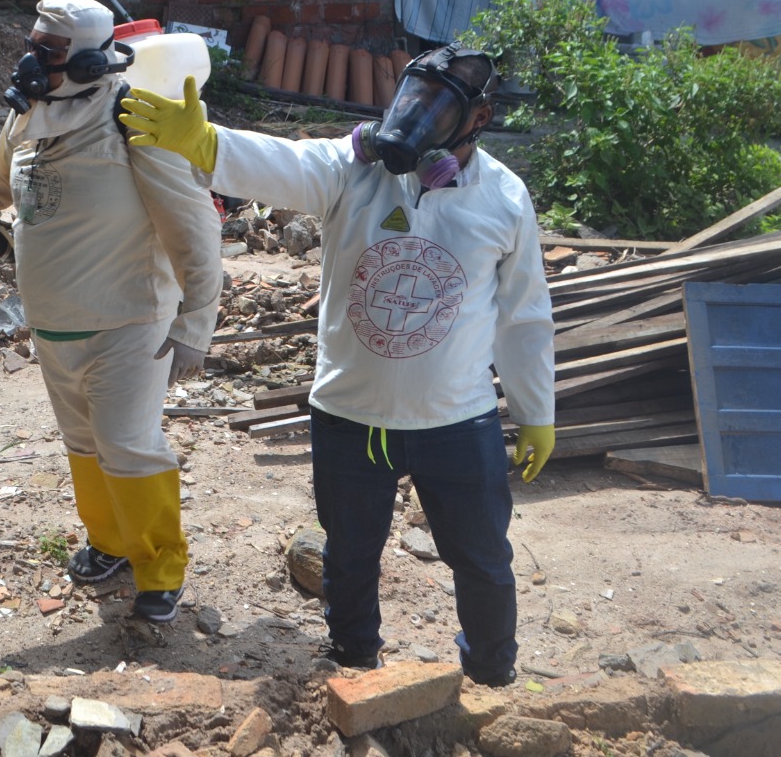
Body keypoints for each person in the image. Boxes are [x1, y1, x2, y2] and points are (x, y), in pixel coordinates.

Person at [119, 45, 555, 684]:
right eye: (412, 96)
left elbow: (523, 316)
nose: (414, 118)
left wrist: (535, 410)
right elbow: (281, 164)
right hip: (352, 418)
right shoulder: (352, 172)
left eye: (439, 108)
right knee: (350, 555)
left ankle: (492, 673)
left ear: (480, 118)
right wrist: (206, 143)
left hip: (457, 422)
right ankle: (353, 661)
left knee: (484, 559)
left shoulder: (505, 198)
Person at [0, 0, 222, 624]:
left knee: (128, 444)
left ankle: (160, 568)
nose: (31, 61)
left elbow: (195, 227)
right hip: (53, 321)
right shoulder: (26, 119)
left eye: (46, 52)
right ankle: (109, 544)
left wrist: (195, 324)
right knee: (83, 442)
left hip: (131, 322)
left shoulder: (133, 118)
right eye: (32, 45)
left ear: (83, 59)